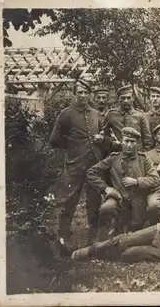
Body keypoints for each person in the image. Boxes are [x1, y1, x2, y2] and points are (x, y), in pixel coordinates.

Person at [49, 79, 105, 248]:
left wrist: (101, 139)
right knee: (69, 200)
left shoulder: (96, 114)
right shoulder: (66, 114)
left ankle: (93, 239)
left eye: (85, 92)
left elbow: (103, 135)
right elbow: (54, 140)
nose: (82, 95)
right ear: (75, 94)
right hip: (74, 164)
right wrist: (73, 147)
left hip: (94, 164)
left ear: (89, 94)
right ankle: (63, 238)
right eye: (79, 92)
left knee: (94, 200)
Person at [86, 127, 160, 238]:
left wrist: (137, 181)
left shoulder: (144, 159)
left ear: (137, 143)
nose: (129, 145)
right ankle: (105, 236)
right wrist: (106, 188)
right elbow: (91, 172)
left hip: (138, 199)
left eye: (132, 142)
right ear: (121, 141)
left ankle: (126, 231)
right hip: (118, 197)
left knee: (135, 229)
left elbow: (155, 179)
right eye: (126, 141)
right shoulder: (113, 159)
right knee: (106, 208)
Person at [101, 85, 153, 152]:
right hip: (117, 153)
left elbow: (147, 139)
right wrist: (112, 143)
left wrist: (143, 154)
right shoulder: (111, 115)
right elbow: (105, 134)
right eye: (123, 98)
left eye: (128, 98)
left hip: (136, 153)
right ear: (118, 99)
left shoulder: (140, 115)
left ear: (133, 98)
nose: (126, 101)